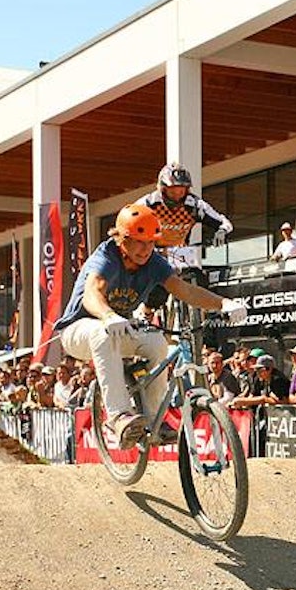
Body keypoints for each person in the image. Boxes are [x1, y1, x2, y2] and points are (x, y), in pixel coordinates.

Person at [55, 203, 248, 448]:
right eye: (139, 242)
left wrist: (223, 304)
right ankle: (118, 416)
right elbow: (92, 293)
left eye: (151, 243)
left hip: (118, 328)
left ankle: (155, 420)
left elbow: (184, 290)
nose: (146, 249)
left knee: (157, 342)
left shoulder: (153, 263)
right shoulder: (106, 257)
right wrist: (107, 315)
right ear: (122, 239)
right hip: (79, 330)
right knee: (102, 333)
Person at [139, 162, 234, 270]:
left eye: (181, 192)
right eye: (172, 192)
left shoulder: (195, 205)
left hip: (180, 255)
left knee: (192, 280)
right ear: (163, 189)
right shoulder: (148, 204)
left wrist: (222, 231)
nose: (177, 197)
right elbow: (126, 224)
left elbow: (224, 222)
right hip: (149, 254)